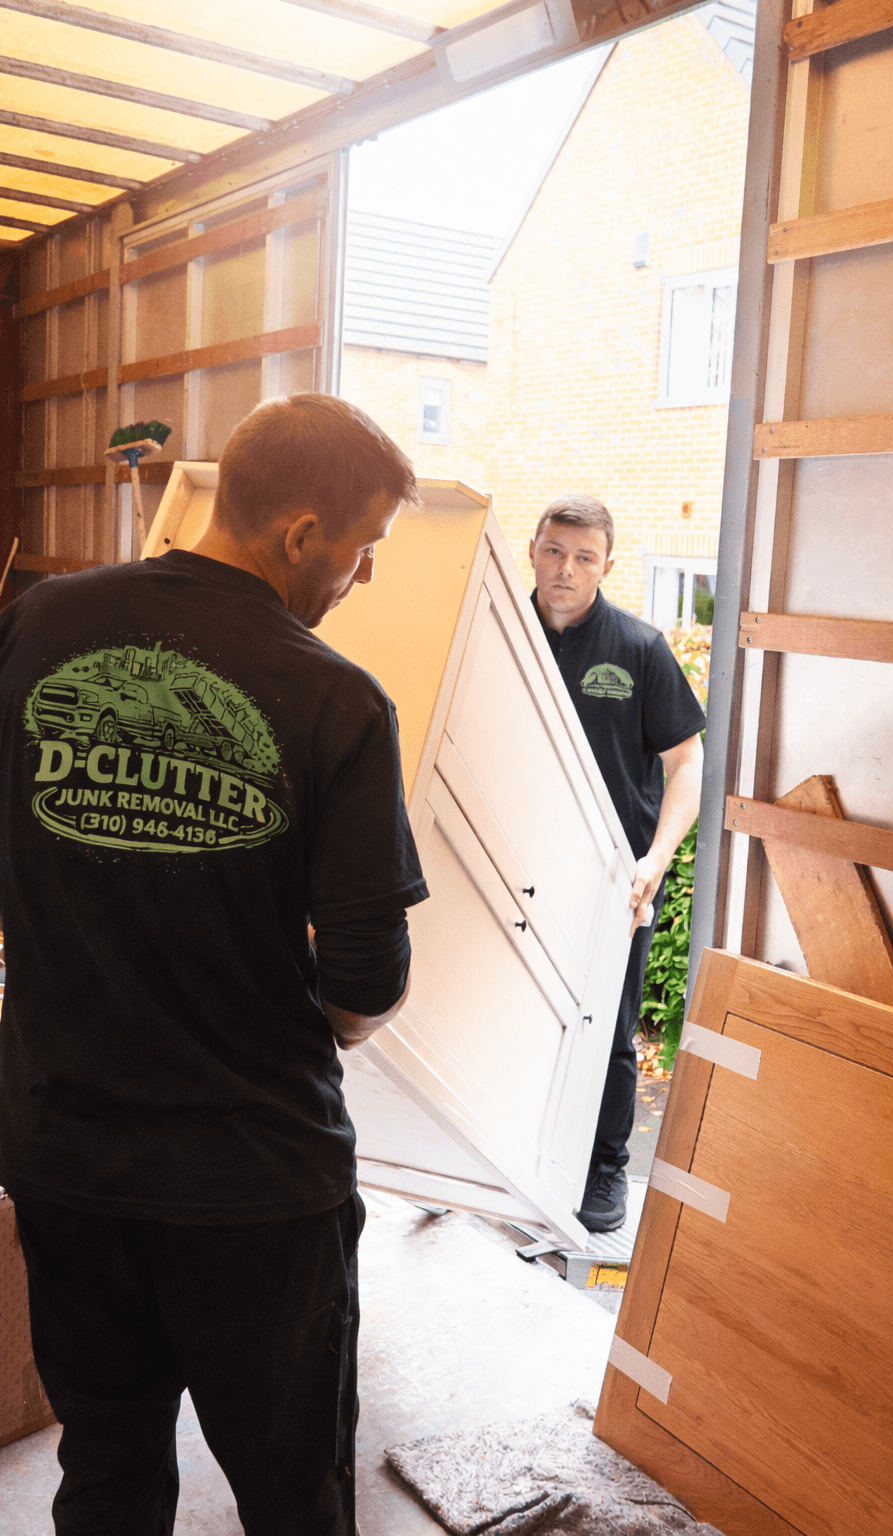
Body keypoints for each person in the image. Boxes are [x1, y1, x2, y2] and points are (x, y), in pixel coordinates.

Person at [0, 393, 429, 1536]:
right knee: (291, 1496)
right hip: (255, 1187)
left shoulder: (36, 624)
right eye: (365, 547)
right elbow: (365, 980)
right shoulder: (337, 696)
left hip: (66, 1159)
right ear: (300, 537)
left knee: (106, 1469)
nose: (365, 575)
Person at [529, 495, 705, 1234]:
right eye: (553, 551)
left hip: (613, 884)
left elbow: (687, 763)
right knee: (518, 1011)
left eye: (584, 557)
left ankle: (606, 1170)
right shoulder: (505, 634)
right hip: (519, 867)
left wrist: (657, 860)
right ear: (532, 549)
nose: (565, 570)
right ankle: (506, 1150)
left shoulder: (639, 648)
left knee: (610, 1025)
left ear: (608, 563)